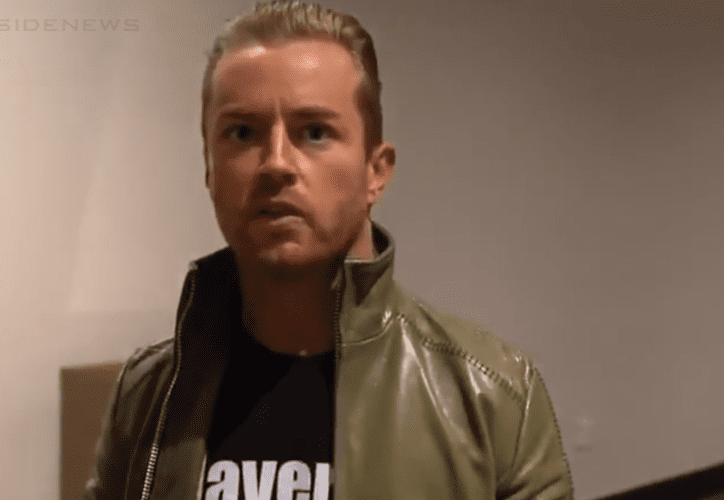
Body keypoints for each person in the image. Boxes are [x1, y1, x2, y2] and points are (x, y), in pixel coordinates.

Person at [83, 1, 575, 499]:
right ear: (210, 168)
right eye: (243, 132)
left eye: (315, 132)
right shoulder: (148, 398)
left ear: (375, 172)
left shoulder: (492, 399)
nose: (276, 163)